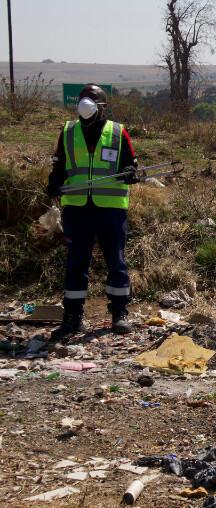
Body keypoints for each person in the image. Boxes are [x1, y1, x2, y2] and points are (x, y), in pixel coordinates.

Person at [45, 84, 139, 343]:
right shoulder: (68, 131)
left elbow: (131, 163)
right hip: (77, 208)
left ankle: (119, 313)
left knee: (116, 261)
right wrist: (54, 182)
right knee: (76, 263)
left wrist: (131, 172)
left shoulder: (118, 132)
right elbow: (60, 163)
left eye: (92, 101)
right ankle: (73, 318)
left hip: (110, 209)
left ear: (103, 107)